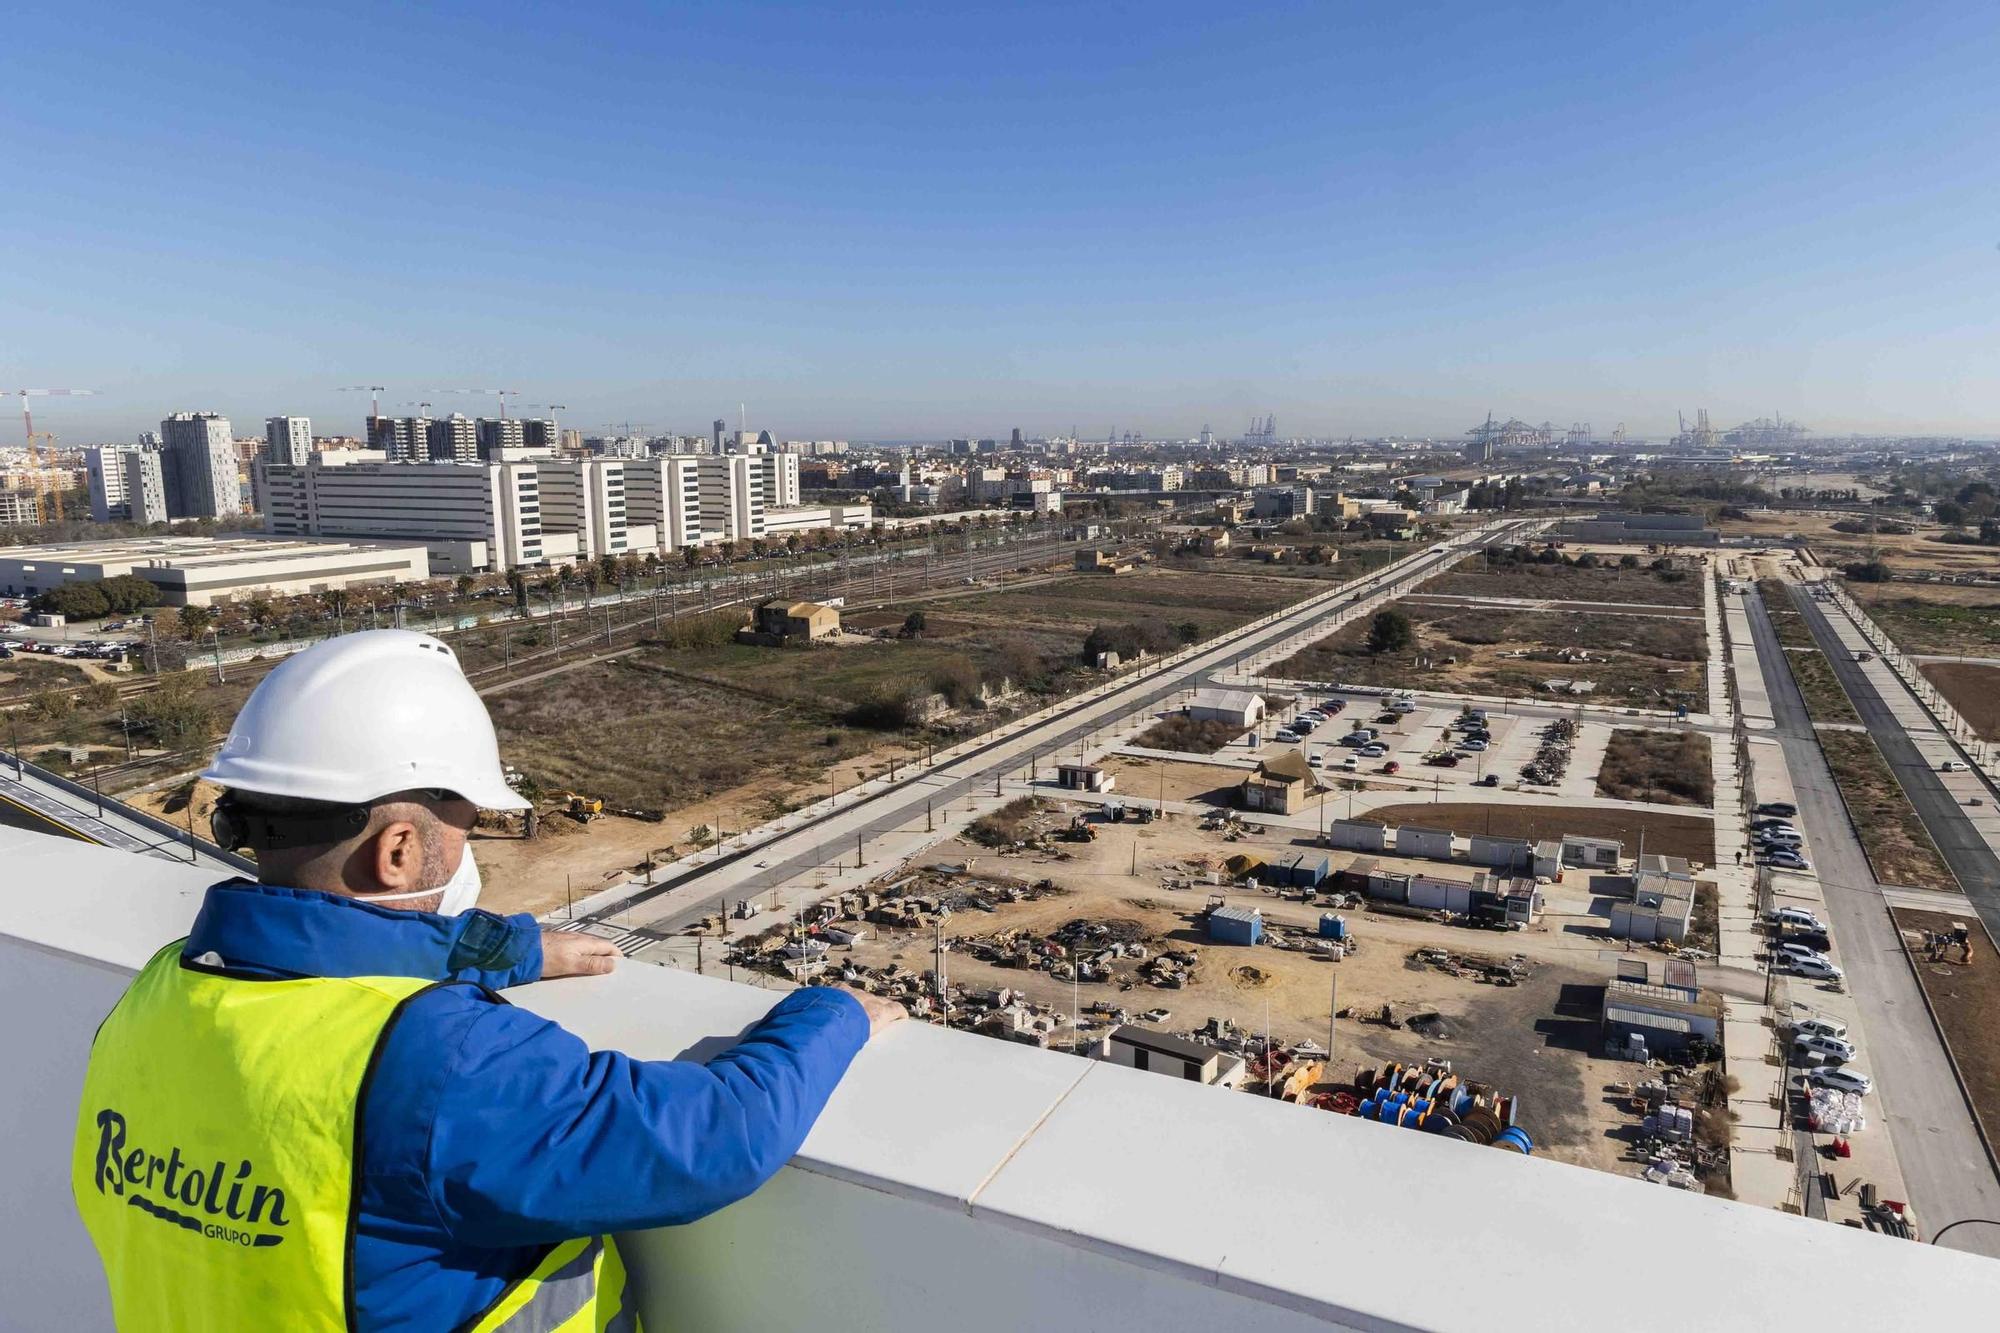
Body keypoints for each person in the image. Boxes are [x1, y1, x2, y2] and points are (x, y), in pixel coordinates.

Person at [71, 629, 903, 1332]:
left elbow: (333, 954)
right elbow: (715, 1139)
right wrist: (832, 1013)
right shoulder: (445, 1062)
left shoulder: (157, 997)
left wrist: (510, 949)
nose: (474, 847)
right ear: (398, 851)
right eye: (468, 826)